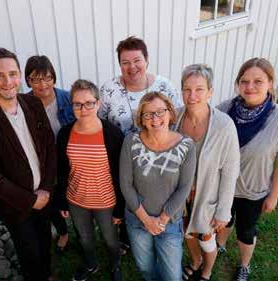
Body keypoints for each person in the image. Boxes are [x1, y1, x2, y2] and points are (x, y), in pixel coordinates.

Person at [0, 48, 56, 281]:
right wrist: (31, 200)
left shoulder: (33, 104)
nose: (8, 82)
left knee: (45, 242)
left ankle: (46, 275)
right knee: (29, 252)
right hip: (14, 205)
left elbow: (48, 149)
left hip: (44, 194)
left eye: (13, 74)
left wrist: (45, 189)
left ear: (20, 76)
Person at [216, 58, 278, 281]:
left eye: (258, 81)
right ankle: (220, 245)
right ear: (237, 84)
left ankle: (244, 265)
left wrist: (274, 196)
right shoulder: (224, 110)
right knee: (224, 220)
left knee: (245, 231)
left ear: (271, 83)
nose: (250, 87)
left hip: (254, 191)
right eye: (244, 81)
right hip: (223, 186)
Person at [99, 36, 183, 254]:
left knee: (156, 195)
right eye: (125, 62)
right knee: (127, 194)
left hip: (160, 157)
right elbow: (101, 122)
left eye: (137, 60)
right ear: (120, 65)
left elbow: (176, 119)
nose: (132, 67)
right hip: (123, 158)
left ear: (146, 60)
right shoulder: (109, 89)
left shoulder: (163, 86)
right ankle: (130, 234)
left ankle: (161, 229)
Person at [120, 92, 196, 281]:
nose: (155, 119)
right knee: (145, 268)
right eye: (148, 114)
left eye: (161, 111)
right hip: (137, 221)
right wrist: (146, 220)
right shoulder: (131, 142)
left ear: (170, 113)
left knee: (172, 276)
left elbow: (184, 188)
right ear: (142, 120)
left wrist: (161, 219)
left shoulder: (186, 146)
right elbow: (125, 184)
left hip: (169, 223)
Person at [174, 64, 240, 281]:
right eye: (187, 89)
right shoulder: (174, 118)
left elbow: (230, 171)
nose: (192, 95)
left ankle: (207, 270)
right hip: (181, 194)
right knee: (187, 232)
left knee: (206, 237)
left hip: (208, 195)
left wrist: (223, 210)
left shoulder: (224, 125)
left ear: (210, 92)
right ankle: (195, 261)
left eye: (199, 89)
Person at [55, 79, 124, 281]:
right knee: (85, 238)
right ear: (72, 105)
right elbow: (61, 169)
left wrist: (120, 207)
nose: (83, 108)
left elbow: (120, 173)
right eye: (77, 104)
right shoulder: (65, 133)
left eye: (89, 103)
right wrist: (61, 200)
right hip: (76, 200)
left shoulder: (111, 133)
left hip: (106, 201)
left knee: (111, 239)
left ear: (98, 103)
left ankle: (115, 264)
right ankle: (91, 264)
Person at [25, 55, 74, 252]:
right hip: (43, 162)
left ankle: (82, 229)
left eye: (47, 78)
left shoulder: (68, 98)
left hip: (69, 157)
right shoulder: (24, 104)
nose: (42, 84)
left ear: (54, 77)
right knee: (50, 198)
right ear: (28, 81)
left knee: (75, 195)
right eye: (35, 79)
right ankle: (63, 231)